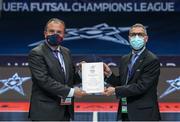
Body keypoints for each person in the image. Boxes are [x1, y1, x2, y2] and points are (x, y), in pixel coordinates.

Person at [28, 18, 86, 121]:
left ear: (64, 35)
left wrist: (82, 72)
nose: (55, 34)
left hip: (65, 110)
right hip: (45, 113)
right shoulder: (36, 53)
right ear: (45, 33)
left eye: (59, 32)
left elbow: (69, 80)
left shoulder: (66, 52)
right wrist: (71, 92)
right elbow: (44, 81)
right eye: (51, 31)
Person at [103, 23, 161, 121]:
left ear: (146, 38)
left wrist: (115, 90)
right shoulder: (124, 59)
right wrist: (109, 75)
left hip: (144, 114)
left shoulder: (152, 60)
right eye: (133, 34)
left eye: (140, 34)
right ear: (129, 38)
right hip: (125, 111)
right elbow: (123, 83)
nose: (136, 37)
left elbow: (141, 87)